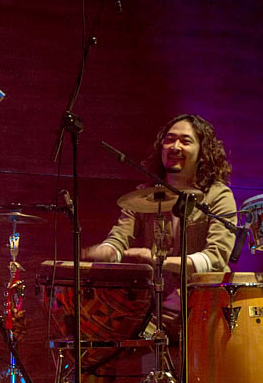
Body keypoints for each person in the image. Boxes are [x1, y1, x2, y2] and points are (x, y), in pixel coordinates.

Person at [83, 114, 236, 275]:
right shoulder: (144, 194)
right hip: (155, 289)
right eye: (170, 140)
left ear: (202, 153)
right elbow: (120, 236)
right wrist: (108, 250)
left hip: (202, 289)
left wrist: (159, 261)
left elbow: (216, 257)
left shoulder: (218, 195)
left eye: (185, 141)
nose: (175, 147)